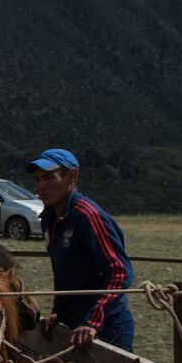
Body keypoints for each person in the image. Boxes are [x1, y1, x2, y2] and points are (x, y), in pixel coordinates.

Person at [28, 148, 135, 352]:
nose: (41, 186)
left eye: (49, 178)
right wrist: (59, 312)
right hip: (74, 326)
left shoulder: (88, 216)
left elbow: (119, 272)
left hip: (106, 327)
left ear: (72, 176)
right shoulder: (49, 219)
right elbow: (66, 272)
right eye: (37, 179)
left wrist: (92, 322)